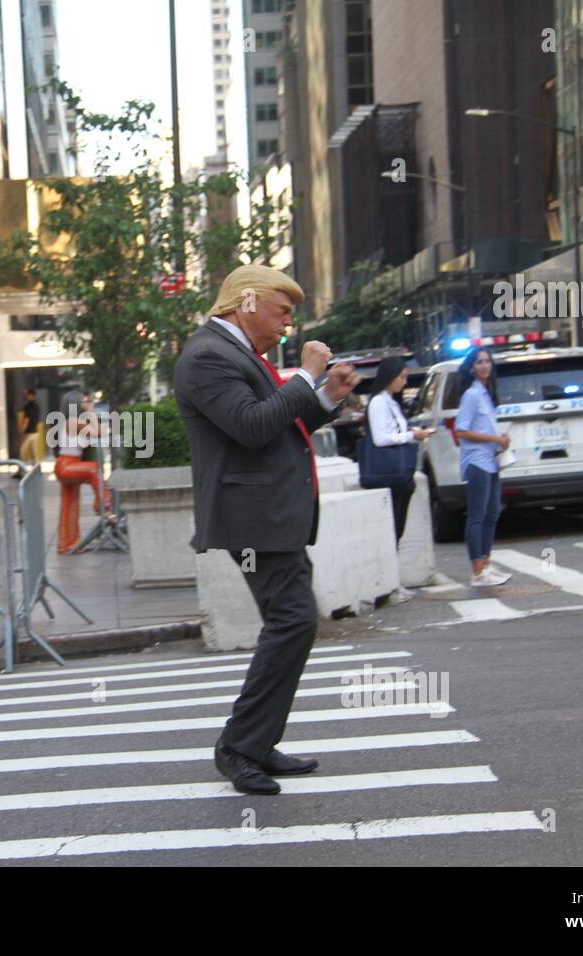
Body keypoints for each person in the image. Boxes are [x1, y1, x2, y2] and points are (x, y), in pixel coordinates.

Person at [174, 263, 358, 795]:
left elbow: (277, 423)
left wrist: (324, 395)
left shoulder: (238, 355)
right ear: (247, 302)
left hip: (271, 517)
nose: (287, 325)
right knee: (294, 620)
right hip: (251, 519)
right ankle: (240, 747)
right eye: (282, 312)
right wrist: (304, 375)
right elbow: (253, 427)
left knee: (294, 622)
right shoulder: (208, 356)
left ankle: (255, 741)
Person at [363, 356, 431, 604]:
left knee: (398, 529)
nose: (404, 381)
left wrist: (411, 435)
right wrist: (411, 435)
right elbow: (381, 439)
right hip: (387, 474)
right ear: (390, 376)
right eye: (401, 377)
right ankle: (389, 585)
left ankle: (394, 583)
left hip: (400, 476)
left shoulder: (390, 402)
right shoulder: (379, 402)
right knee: (391, 530)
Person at [454, 348, 512, 587]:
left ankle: (486, 563)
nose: (485, 365)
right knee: (477, 515)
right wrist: (495, 440)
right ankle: (477, 569)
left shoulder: (487, 394)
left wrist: (499, 440)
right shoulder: (471, 395)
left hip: (491, 460)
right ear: (471, 367)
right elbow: (462, 431)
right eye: (479, 362)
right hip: (477, 460)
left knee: (492, 513)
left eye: (488, 361)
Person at [54, 392, 110, 554]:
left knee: (70, 506)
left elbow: (99, 431)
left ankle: (68, 543)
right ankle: (104, 506)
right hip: (66, 465)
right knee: (93, 469)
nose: (87, 402)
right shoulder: (73, 422)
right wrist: (91, 411)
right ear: (76, 404)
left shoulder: (74, 421)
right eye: (84, 401)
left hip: (70, 464)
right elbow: (98, 432)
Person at [19, 388, 41, 464]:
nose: (26, 396)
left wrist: (21, 431)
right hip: (36, 432)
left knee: (21, 451)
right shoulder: (37, 406)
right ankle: (37, 471)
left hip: (28, 433)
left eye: (27, 394)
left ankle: (21, 470)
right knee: (34, 454)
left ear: (31, 395)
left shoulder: (28, 406)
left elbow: (26, 420)